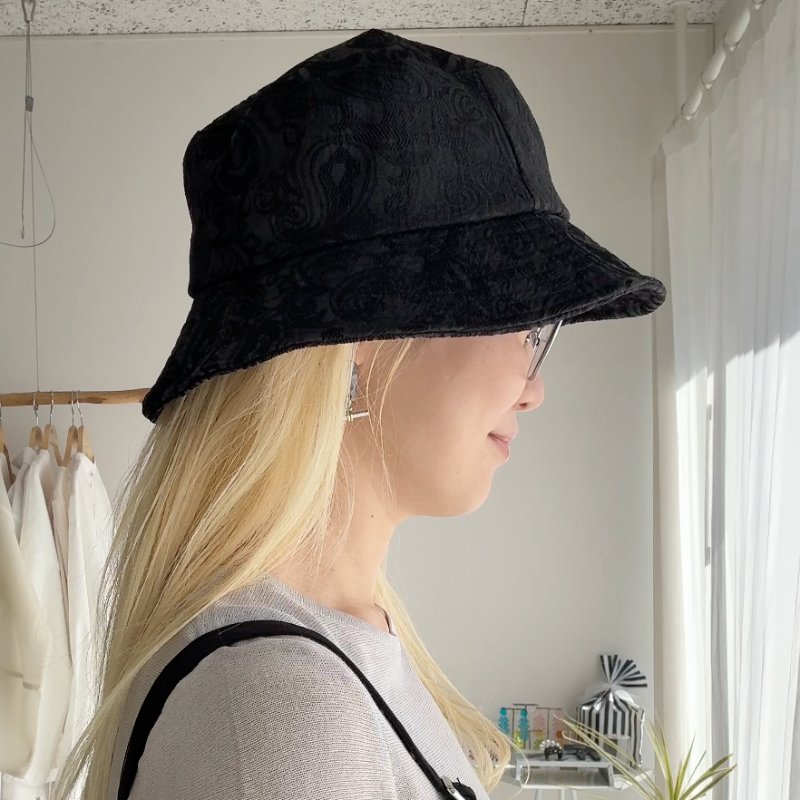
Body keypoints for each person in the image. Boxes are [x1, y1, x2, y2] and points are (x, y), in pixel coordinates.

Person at [54, 28, 665, 800]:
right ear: (363, 336)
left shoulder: (328, 653)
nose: (534, 387)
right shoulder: (285, 710)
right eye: (526, 325)